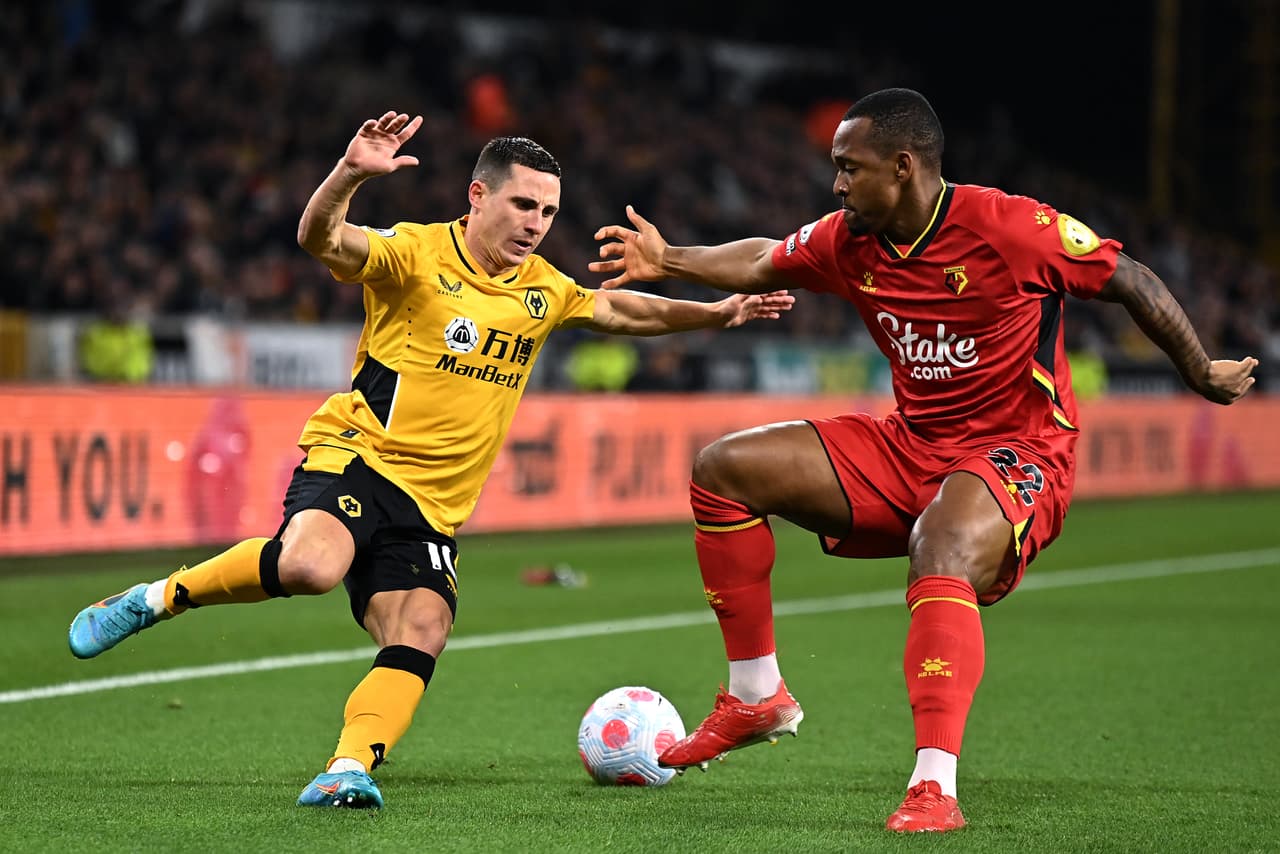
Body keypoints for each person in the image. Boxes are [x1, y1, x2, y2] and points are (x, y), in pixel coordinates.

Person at [67, 111, 794, 810]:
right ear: (477, 196)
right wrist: (348, 175)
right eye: (522, 204)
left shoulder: (542, 290)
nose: (536, 223)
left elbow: (620, 310)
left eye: (547, 210)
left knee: (422, 630)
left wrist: (717, 312)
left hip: (433, 510)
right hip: (360, 457)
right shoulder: (414, 253)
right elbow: (321, 240)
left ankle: (347, 769)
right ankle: (154, 598)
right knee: (308, 567)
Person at [589, 88, 1258, 833]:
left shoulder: (1012, 227)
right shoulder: (850, 239)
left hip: (1019, 453)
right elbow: (762, 261)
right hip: (910, 446)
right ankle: (756, 694)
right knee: (723, 469)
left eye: (850, 168)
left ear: (903, 167)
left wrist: (1200, 370)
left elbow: (1129, 278)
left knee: (939, 546)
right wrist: (669, 259)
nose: (837, 184)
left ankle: (934, 786)